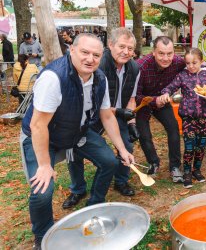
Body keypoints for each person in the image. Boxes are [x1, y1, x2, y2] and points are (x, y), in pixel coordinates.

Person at [20, 33, 135, 249]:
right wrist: (45, 165)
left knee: (110, 161)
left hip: (78, 132)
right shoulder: (54, 78)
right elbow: (38, 125)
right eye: (84, 52)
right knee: (42, 190)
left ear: (102, 56)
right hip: (44, 135)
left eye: (96, 55)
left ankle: (93, 206)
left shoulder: (99, 78)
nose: (90, 59)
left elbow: (107, 115)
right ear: (71, 50)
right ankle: (42, 236)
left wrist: (121, 149)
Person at [63, 28, 140, 209]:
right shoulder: (98, 65)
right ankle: (78, 189)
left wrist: (131, 122)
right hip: (93, 116)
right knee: (74, 152)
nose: (126, 52)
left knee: (127, 145)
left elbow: (131, 98)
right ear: (110, 45)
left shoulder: (135, 68)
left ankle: (120, 181)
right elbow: (96, 106)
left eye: (130, 48)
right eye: (122, 46)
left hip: (118, 114)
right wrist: (119, 111)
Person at [135, 36, 206, 183]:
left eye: (169, 53)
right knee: (144, 135)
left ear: (174, 53)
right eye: (161, 53)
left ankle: (175, 167)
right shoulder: (140, 66)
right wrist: (156, 100)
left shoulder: (179, 62)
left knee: (173, 129)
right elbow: (135, 95)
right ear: (153, 52)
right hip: (144, 101)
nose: (166, 58)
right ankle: (153, 162)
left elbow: (201, 64)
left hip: (164, 100)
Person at [159, 48, 206, 188]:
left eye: (194, 63)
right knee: (189, 147)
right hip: (188, 118)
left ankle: (197, 169)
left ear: (201, 62)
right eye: (188, 63)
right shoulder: (182, 75)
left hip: (204, 117)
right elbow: (171, 87)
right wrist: (166, 93)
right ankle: (187, 172)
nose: (191, 66)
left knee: (200, 146)